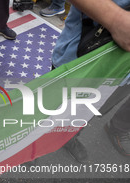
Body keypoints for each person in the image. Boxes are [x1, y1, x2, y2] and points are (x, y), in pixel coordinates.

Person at [52, 0, 130, 161]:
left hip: (121, 73)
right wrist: (115, 19)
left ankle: (69, 136)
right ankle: (29, 145)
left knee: (88, 109)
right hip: (81, 53)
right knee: (51, 105)